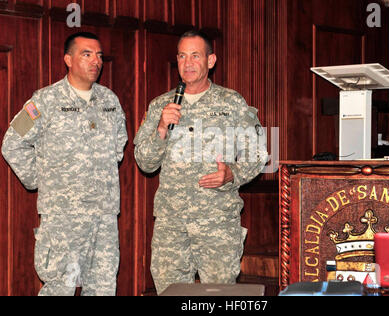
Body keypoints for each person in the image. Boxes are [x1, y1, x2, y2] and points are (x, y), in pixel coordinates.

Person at [134, 30, 268, 295]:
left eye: (196, 55)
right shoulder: (161, 104)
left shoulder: (232, 103)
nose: (188, 63)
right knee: (172, 293)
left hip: (216, 223)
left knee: (217, 297)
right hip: (171, 226)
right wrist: (161, 126)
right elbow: (145, 162)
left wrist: (232, 174)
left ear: (211, 61)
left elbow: (258, 154)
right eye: (182, 56)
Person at [1, 32, 128, 296]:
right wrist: (39, 179)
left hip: (104, 217)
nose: (96, 61)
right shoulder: (43, 101)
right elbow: (12, 143)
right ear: (68, 59)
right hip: (63, 219)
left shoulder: (110, 101)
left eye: (99, 55)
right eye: (87, 54)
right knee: (61, 288)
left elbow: (119, 145)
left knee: (103, 288)